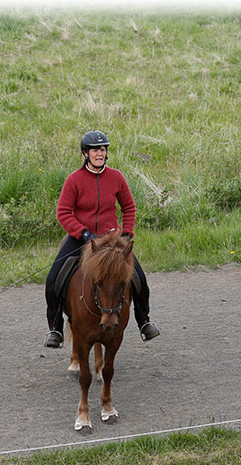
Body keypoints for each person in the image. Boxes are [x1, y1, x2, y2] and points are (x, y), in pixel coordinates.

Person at [43, 130, 160, 348]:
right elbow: (64, 212)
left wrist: (126, 232)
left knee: (140, 280)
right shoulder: (74, 180)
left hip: (112, 241)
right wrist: (83, 233)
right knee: (52, 280)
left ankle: (144, 322)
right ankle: (56, 328)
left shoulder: (116, 177)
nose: (100, 153)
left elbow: (128, 207)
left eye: (103, 149)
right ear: (85, 153)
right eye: (95, 150)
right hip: (81, 238)